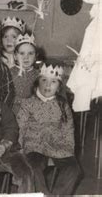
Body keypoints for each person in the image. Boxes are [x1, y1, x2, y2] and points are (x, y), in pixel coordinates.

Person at [16, 63, 81, 195]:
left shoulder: (63, 105)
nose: (48, 85)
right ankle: (43, 194)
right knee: (33, 167)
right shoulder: (28, 103)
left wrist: (69, 149)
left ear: (58, 87)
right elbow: (20, 126)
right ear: (37, 83)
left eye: (53, 82)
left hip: (58, 145)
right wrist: (20, 148)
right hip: (34, 146)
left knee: (73, 169)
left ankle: (58, 194)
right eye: (44, 80)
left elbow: (69, 129)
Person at [11, 33, 39, 114]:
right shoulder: (9, 73)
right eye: (22, 53)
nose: (26, 57)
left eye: (30, 53)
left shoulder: (39, 75)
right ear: (15, 56)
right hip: (13, 113)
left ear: (35, 56)